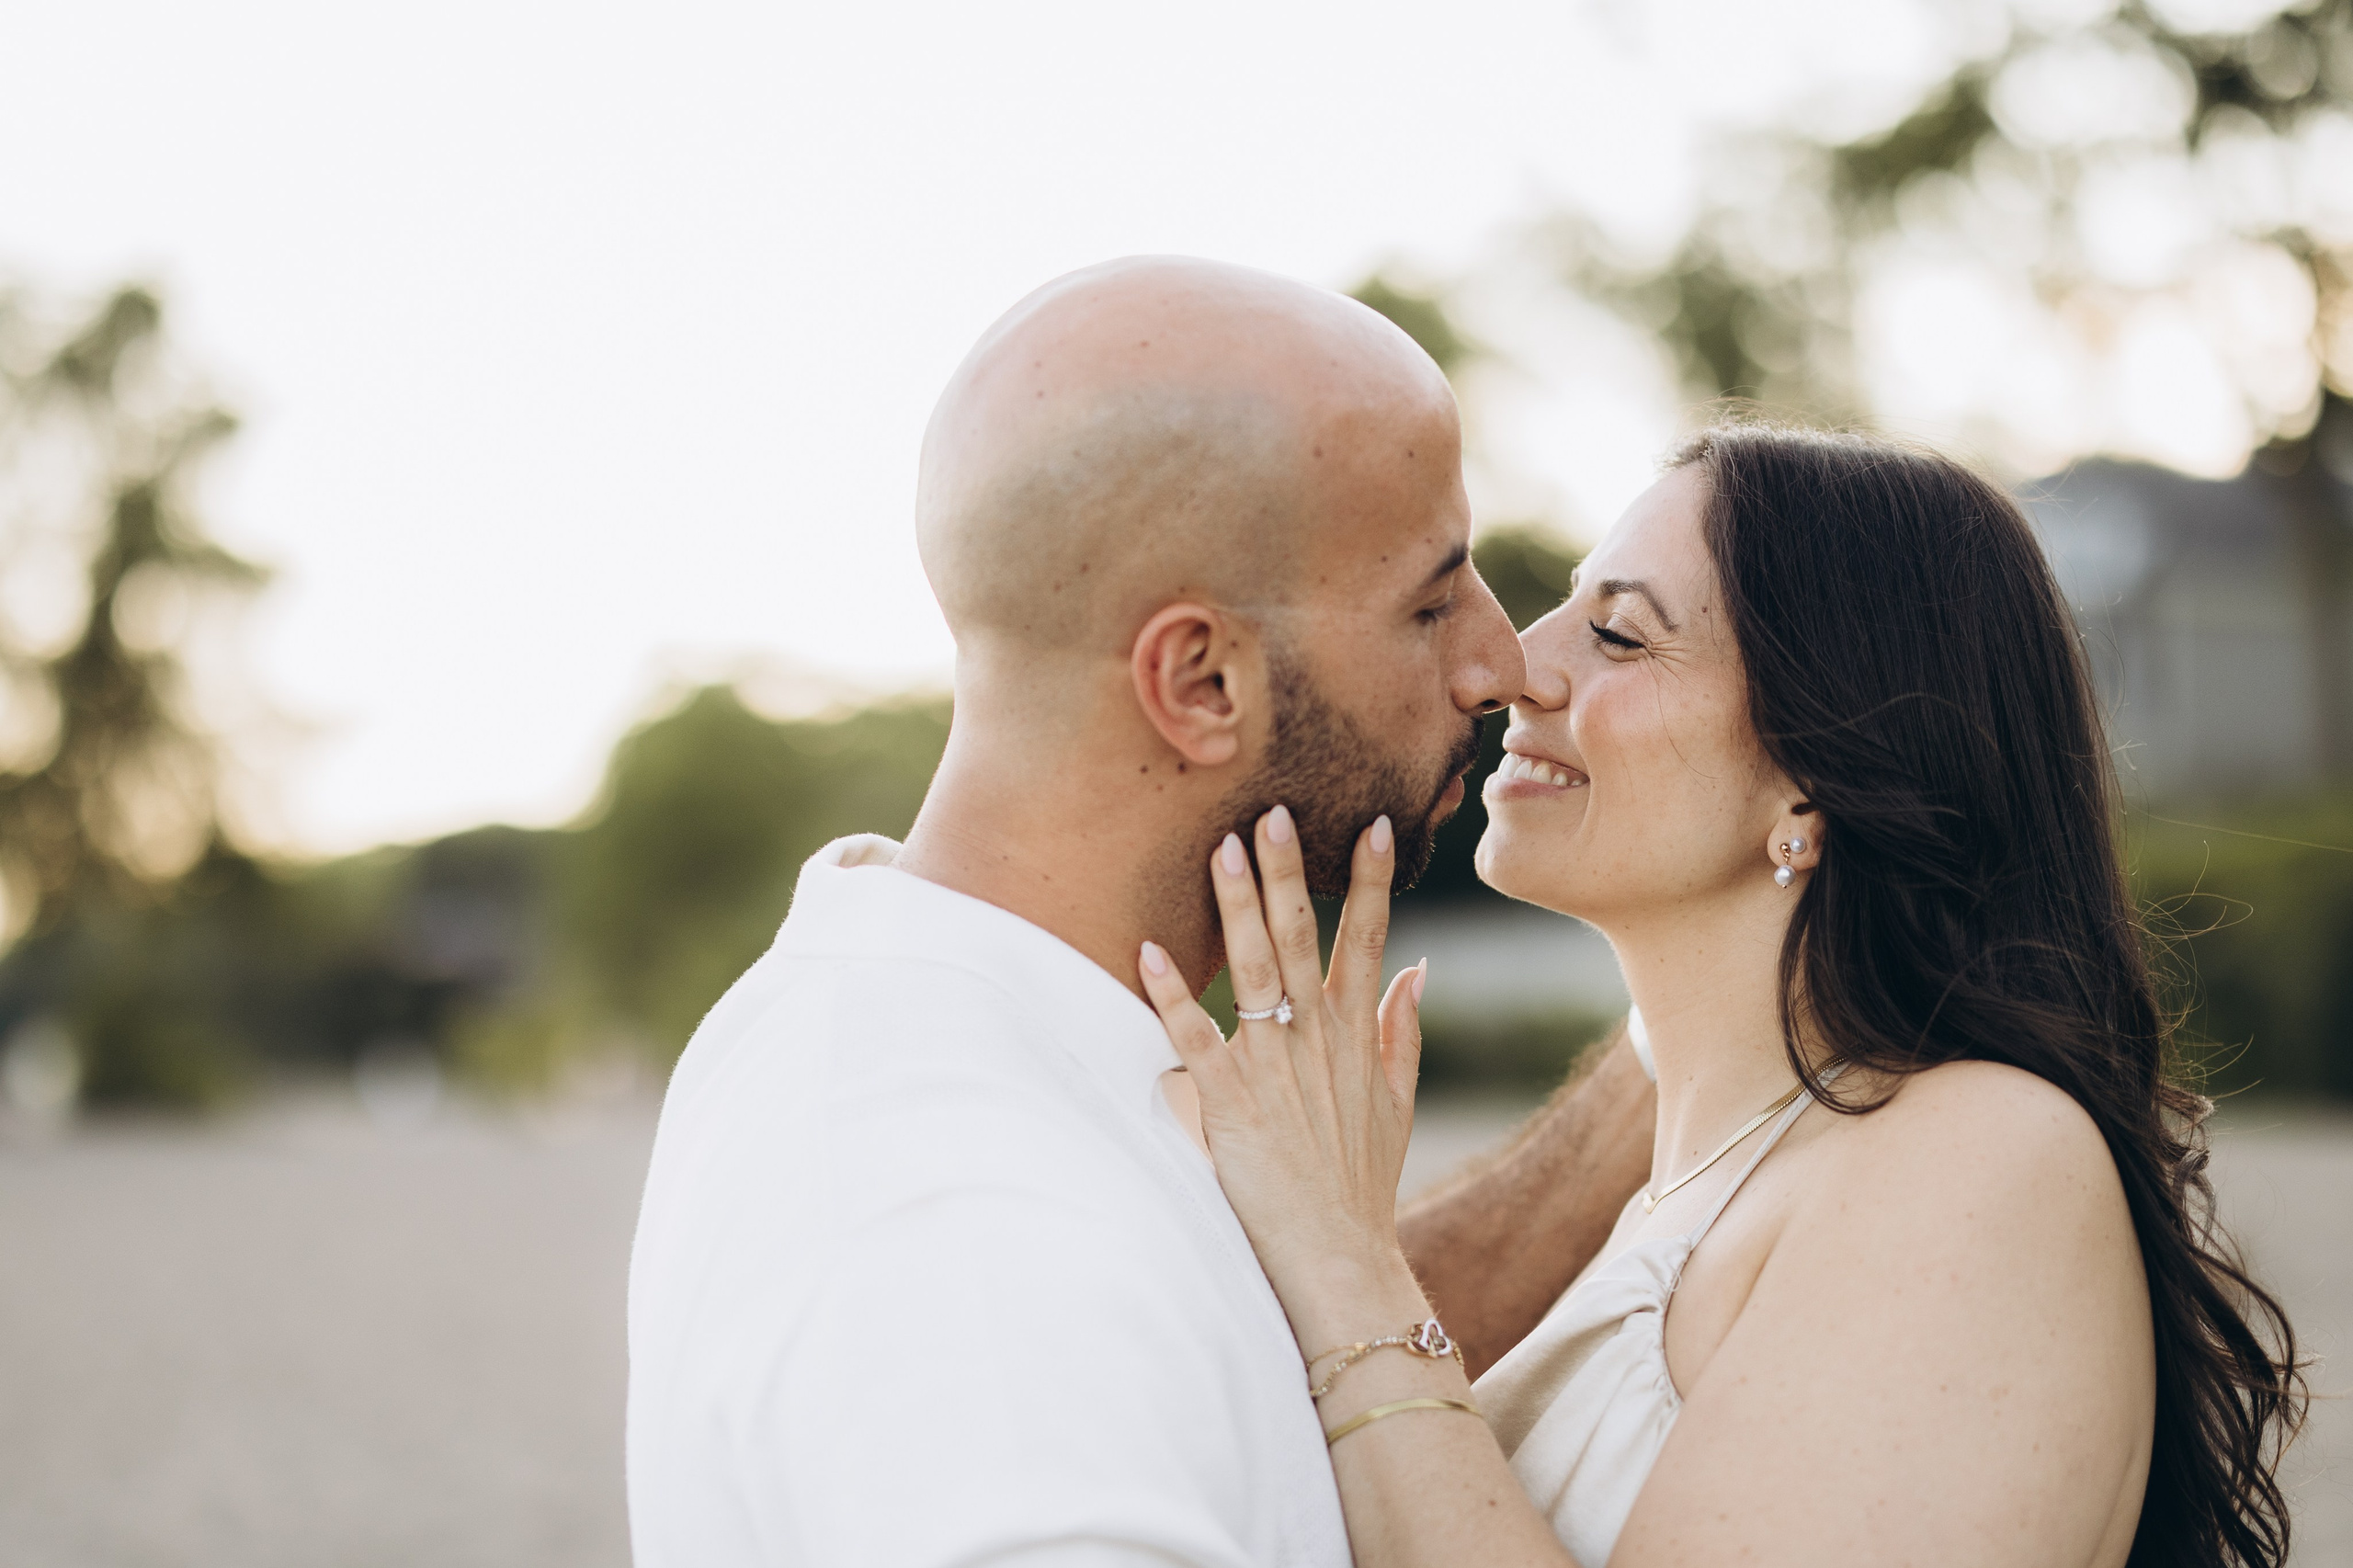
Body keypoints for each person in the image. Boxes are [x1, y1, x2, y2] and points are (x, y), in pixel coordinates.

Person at [624, 256, 1655, 1566]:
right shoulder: (958, 1224)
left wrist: (1681, 1053)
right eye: (1431, 599)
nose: (1499, 661)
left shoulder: (951, 1018)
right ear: (1202, 679)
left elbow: (1263, 1365)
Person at [1138, 425, 2307, 1568]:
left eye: (1618, 633)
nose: (1517, 665)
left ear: (1813, 773)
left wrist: (1345, 1258)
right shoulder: (1698, 1189)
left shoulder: (1979, 1156)